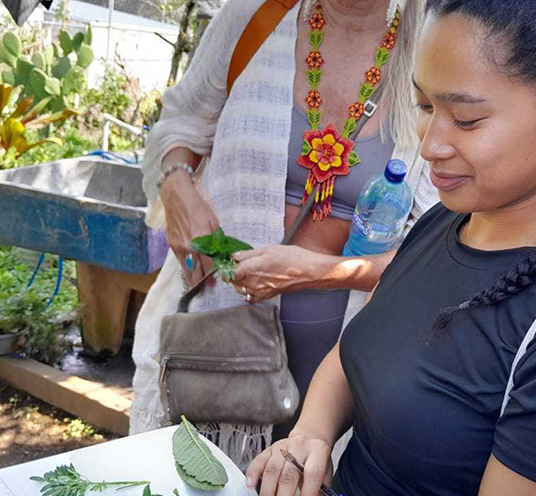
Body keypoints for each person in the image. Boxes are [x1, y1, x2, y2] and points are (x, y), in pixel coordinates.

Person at [246, 0, 536, 494]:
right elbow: (356, 352)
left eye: (465, 119)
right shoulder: (446, 222)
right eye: (425, 107)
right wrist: (311, 435)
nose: (430, 144)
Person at [131, 0, 438, 463]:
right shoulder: (257, 16)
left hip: (354, 365)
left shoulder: (435, 45)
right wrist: (177, 185)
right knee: (202, 473)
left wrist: (321, 273)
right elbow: (181, 121)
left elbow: (443, 244)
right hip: (220, 344)